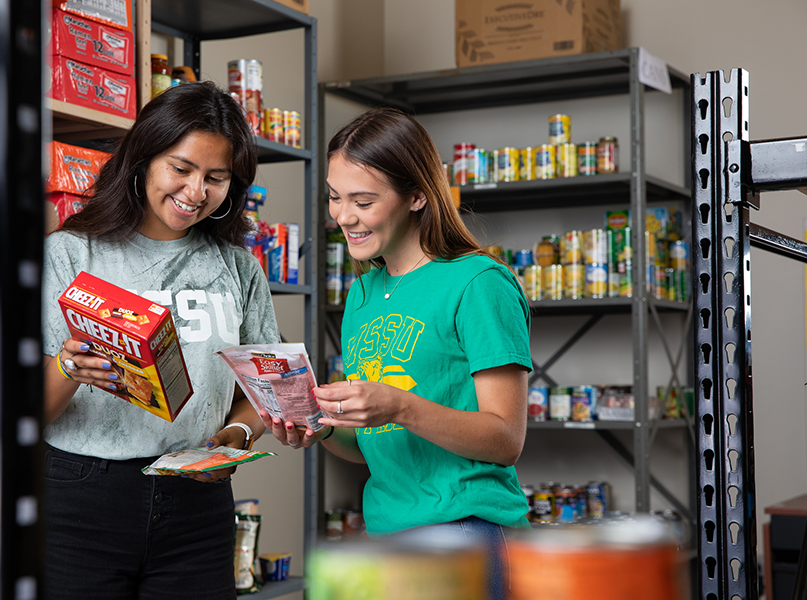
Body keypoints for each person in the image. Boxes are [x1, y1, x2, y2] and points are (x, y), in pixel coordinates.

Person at [260, 107, 532, 599]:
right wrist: (316, 428)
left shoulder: (478, 283)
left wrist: (399, 405)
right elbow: (372, 443)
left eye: (363, 200)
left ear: (417, 195)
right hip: (385, 532)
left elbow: (505, 438)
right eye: (335, 197)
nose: (343, 216)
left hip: (463, 531)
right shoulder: (362, 296)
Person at [41, 81, 280, 600]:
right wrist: (68, 367)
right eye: (181, 169)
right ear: (144, 158)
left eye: (216, 178)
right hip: (82, 499)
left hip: (197, 501)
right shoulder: (70, 253)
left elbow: (261, 393)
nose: (196, 192)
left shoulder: (238, 267)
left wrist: (238, 438)